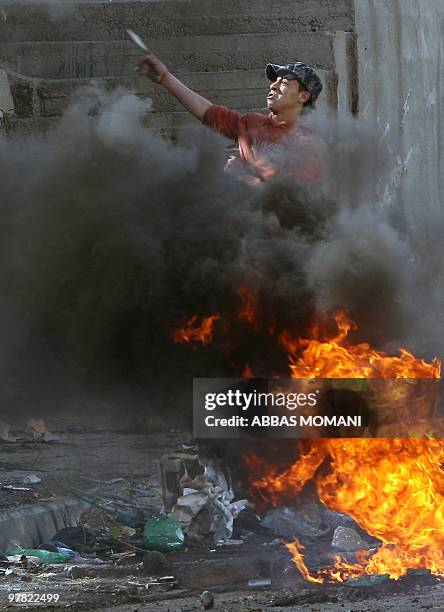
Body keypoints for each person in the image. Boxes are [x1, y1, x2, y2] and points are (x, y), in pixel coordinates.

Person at [138, 52, 322, 183]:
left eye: (283, 83)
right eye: (275, 81)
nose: (273, 86)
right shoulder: (251, 123)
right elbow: (207, 111)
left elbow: (290, 199)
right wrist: (164, 77)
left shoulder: (305, 143)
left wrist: (241, 176)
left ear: (303, 97)